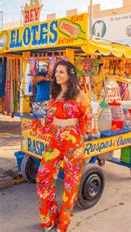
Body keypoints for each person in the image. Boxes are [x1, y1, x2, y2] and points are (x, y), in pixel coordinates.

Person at [35, 60, 89, 232]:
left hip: (73, 141)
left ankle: (63, 222)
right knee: (43, 177)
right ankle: (49, 216)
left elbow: (87, 121)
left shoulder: (80, 95)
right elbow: (49, 119)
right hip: (55, 141)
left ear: (70, 75)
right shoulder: (55, 93)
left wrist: (83, 147)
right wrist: (38, 125)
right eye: (56, 71)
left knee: (70, 184)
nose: (57, 75)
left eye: (61, 72)